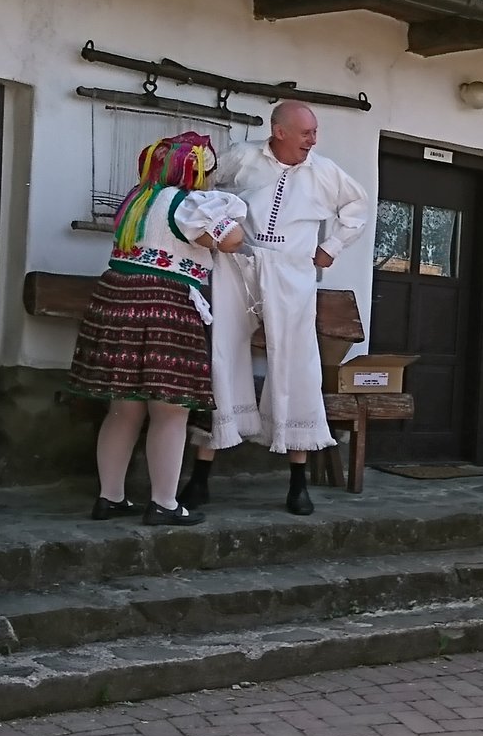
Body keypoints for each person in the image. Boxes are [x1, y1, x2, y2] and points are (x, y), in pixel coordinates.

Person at [186, 100, 371, 517]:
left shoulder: (325, 172)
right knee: (221, 353)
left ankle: (297, 483)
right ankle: (199, 478)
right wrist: (217, 230)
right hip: (236, 264)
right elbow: (203, 189)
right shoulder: (243, 157)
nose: (313, 140)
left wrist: (331, 247)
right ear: (279, 131)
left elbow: (357, 207)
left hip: (292, 270)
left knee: (295, 363)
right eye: (306, 132)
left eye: (315, 132)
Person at [67, 132, 248, 524]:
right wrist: (226, 211)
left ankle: (110, 497)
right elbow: (232, 240)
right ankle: (164, 503)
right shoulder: (187, 204)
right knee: (170, 409)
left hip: (117, 300)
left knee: (123, 408)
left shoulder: (137, 200)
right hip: (164, 304)